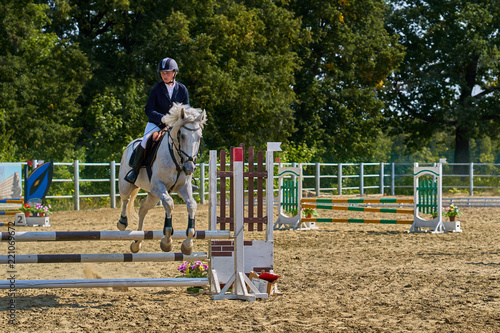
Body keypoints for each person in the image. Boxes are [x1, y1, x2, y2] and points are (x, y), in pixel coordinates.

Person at [125, 57, 190, 184]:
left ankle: (188, 176)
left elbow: (186, 110)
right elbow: (148, 109)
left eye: (167, 73)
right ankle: (135, 171)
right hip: (156, 123)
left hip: (174, 126)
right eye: (162, 73)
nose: (164, 75)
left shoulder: (182, 89)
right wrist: (162, 118)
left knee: (187, 142)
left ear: (174, 73)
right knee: (145, 141)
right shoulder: (156, 88)